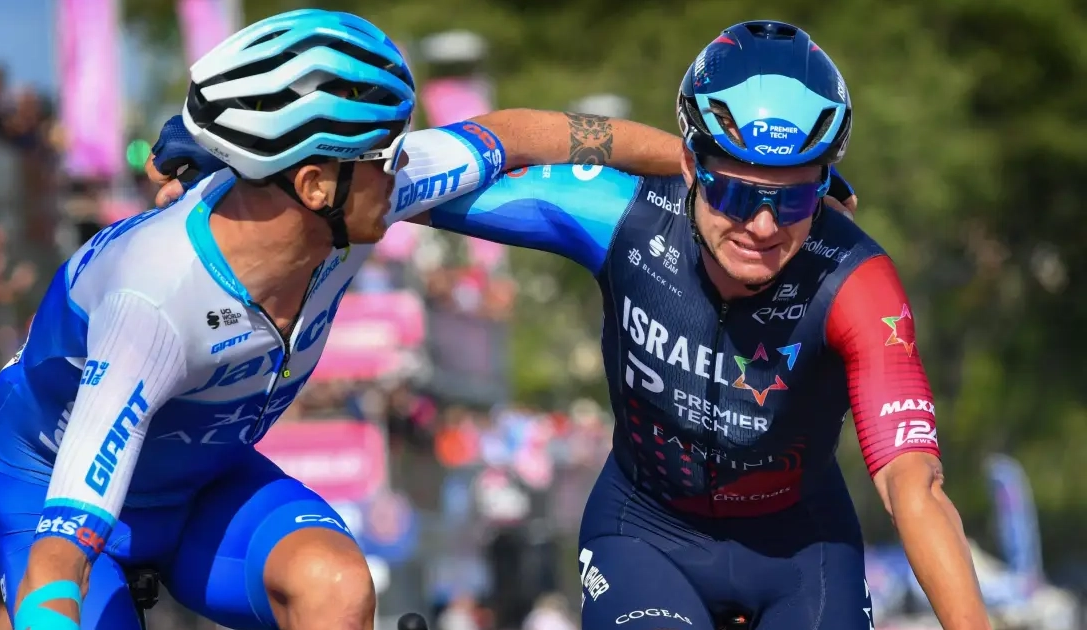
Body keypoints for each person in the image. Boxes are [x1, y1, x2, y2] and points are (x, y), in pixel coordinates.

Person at [148, 19, 989, 630]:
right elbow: (395, 181)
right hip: (647, 536)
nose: (763, 228)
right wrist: (241, 153)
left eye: (795, 199)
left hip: (802, 549)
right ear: (690, 163)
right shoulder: (621, 213)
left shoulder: (855, 277)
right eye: (735, 192)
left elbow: (913, 487)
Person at [0, 9, 687, 630]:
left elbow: (518, 135)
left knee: (338, 587)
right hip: (52, 492)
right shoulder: (155, 303)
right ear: (314, 185)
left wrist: (697, 165)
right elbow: (58, 557)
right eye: (386, 154)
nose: (403, 166)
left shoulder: (360, 199)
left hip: (202, 485)